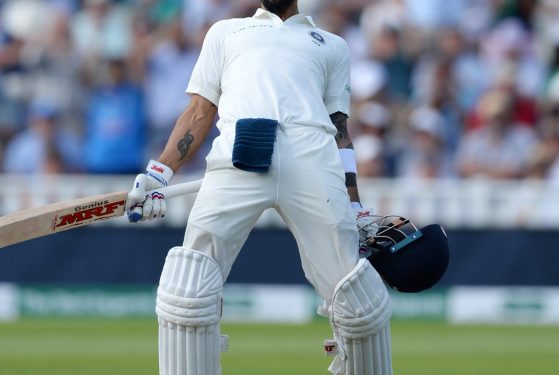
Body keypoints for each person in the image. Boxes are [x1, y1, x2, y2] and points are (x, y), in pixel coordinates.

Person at [124, 1, 394, 374]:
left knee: (358, 300)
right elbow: (200, 112)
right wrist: (158, 173)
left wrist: (355, 205)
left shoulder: (331, 44)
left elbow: (341, 132)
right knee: (188, 291)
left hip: (313, 158)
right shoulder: (225, 32)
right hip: (238, 152)